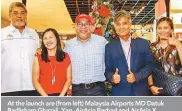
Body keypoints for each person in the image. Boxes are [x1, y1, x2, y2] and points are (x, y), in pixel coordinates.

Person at [104, 10, 154, 96]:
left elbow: (150, 65)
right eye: (118, 24)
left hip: (141, 93)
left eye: (124, 23)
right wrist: (112, 77)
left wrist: (137, 76)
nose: (121, 27)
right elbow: (108, 70)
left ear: (130, 23)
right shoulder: (109, 47)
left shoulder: (143, 43)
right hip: (120, 94)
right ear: (115, 27)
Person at [1, 2, 39, 96]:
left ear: (26, 16)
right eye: (15, 13)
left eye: (22, 13)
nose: (19, 16)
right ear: (10, 16)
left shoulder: (33, 34)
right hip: (7, 88)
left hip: (32, 87)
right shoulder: (2, 34)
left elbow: (38, 59)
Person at [64, 14, 108, 96]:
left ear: (91, 27)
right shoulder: (69, 45)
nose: (83, 27)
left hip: (98, 90)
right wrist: (42, 50)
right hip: (77, 91)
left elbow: (115, 52)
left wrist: (131, 39)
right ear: (75, 27)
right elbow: (61, 64)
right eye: (80, 24)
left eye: (86, 24)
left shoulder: (101, 41)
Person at [148, 17, 182, 95]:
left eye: (165, 28)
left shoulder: (178, 45)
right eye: (159, 28)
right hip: (157, 89)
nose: (162, 31)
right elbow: (147, 67)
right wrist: (151, 86)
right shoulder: (151, 47)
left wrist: (177, 44)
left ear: (171, 30)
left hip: (177, 89)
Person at [32, 28, 71, 96]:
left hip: (61, 96)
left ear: (57, 38)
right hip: (43, 96)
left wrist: (61, 97)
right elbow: (35, 81)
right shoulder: (38, 57)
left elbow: (68, 79)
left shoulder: (65, 56)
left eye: (51, 37)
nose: (48, 40)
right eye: (45, 38)